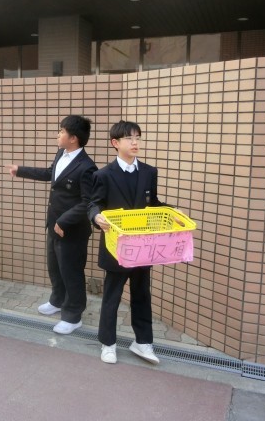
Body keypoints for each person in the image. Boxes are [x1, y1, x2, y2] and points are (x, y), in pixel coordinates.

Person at [6, 115, 97, 335]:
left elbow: (88, 202)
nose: (58, 134)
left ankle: (73, 315)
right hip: (54, 224)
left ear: (73, 138)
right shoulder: (61, 154)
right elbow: (50, 173)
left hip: (72, 229)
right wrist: (20, 170)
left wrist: (64, 220)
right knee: (55, 266)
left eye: (62, 131)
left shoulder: (87, 167)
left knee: (71, 271)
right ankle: (57, 300)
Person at [88, 120, 166, 365]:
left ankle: (143, 342)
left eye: (138, 137)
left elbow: (153, 204)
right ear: (115, 143)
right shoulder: (103, 175)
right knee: (112, 296)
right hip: (117, 246)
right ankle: (108, 343)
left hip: (143, 246)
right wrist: (96, 217)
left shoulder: (149, 172)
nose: (135, 142)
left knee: (142, 295)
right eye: (129, 138)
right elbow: (94, 204)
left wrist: (173, 212)